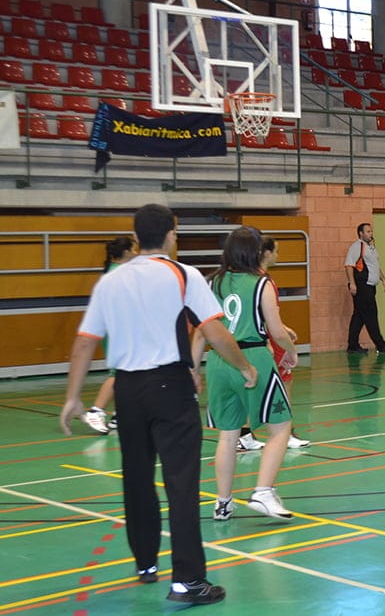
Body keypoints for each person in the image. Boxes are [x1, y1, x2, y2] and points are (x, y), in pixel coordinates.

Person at [61, 203, 256, 605]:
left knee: (137, 479)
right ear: (171, 234)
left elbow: (84, 342)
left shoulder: (111, 281)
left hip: (128, 391)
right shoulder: (182, 274)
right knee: (181, 484)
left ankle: (146, 562)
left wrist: (72, 397)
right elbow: (214, 330)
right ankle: (187, 580)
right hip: (170, 386)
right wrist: (244, 366)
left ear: (136, 237)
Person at [191, 226, 299, 522]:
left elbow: (202, 332)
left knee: (228, 435)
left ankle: (223, 503)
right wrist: (290, 350)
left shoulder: (212, 283)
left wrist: (193, 367)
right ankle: (263, 491)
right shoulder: (261, 283)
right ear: (254, 251)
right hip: (252, 358)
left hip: (218, 363)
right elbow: (275, 330)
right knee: (280, 428)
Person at [234, 235, 311, 451]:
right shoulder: (262, 282)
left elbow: (259, 313)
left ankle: (245, 433)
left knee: (256, 386)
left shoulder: (245, 279)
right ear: (266, 253)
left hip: (253, 338)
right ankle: (284, 432)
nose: (278, 255)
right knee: (283, 382)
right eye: (276, 250)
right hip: (263, 340)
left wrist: (284, 327)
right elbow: (263, 318)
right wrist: (279, 340)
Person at [81, 236, 137, 434]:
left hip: (115, 331)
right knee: (119, 374)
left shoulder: (113, 274)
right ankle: (96, 411)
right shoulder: (121, 275)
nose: (137, 253)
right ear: (127, 252)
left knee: (130, 375)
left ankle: (119, 415)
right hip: (118, 331)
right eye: (134, 249)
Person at [344, 223, 385, 354]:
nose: (371, 233)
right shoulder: (356, 247)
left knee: (359, 316)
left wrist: (383, 278)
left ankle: (352, 345)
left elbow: (375, 266)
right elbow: (348, 265)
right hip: (362, 286)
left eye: (371, 231)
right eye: (368, 231)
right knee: (371, 314)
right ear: (361, 233)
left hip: (370, 286)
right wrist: (352, 283)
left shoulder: (371, 248)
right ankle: (381, 345)